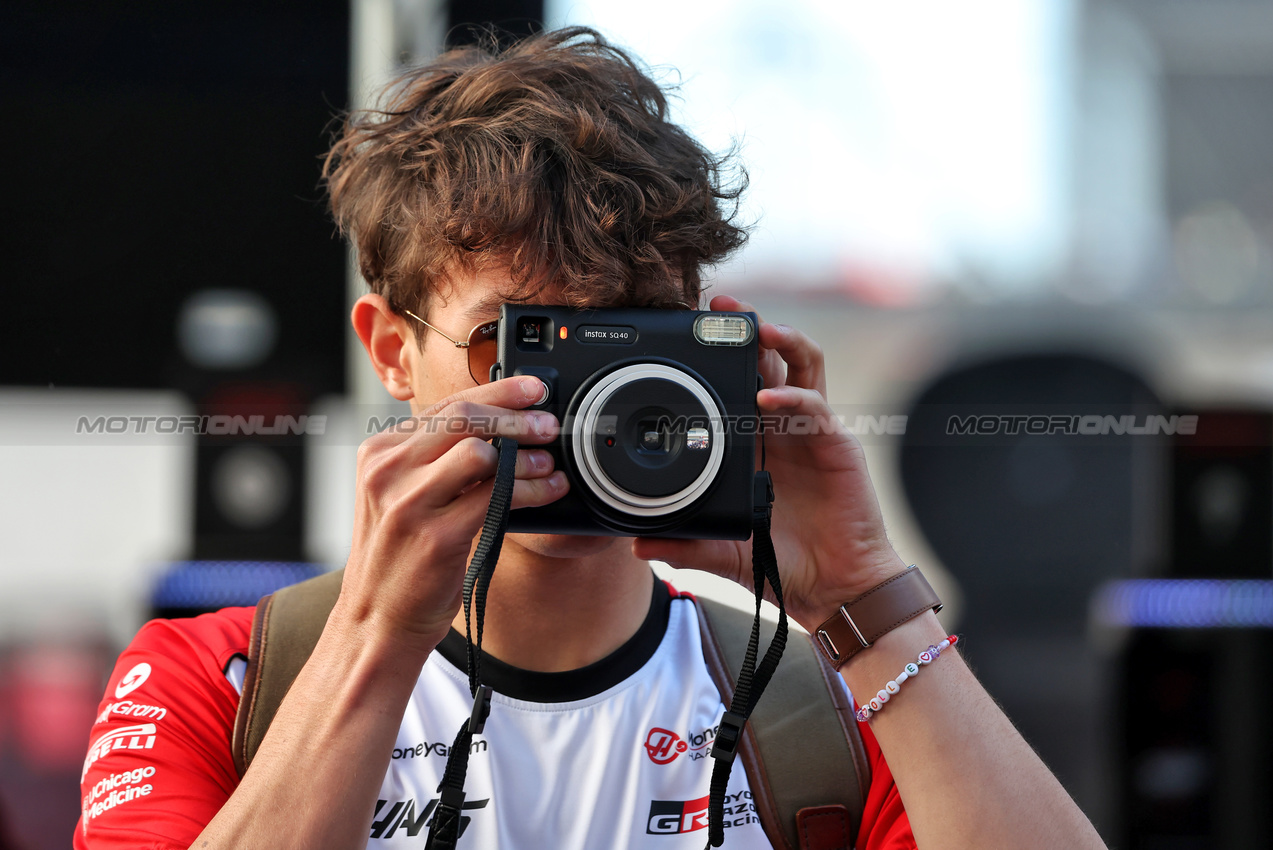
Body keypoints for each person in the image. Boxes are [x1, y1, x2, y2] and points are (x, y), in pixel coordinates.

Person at [75, 27, 1108, 850]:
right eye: (515, 344)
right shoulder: (220, 680)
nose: (577, 407)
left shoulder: (827, 708)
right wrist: (374, 637)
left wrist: (865, 603)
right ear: (391, 351)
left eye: (629, 340)